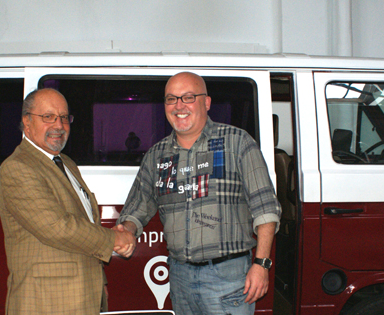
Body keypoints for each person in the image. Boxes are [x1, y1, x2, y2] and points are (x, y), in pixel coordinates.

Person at [117, 72, 281, 315]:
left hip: (229, 277)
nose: (179, 106)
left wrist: (261, 264)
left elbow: (265, 209)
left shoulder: (237, 143)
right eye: (171, 99)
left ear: (206, 102)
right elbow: (138, 206)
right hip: (180, 276)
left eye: (188, 97)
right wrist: (127, 230)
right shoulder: (157, 155)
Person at [0, 88, 135, 315]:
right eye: (48, 117)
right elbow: (56, 227)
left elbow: (85, 223)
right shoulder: (18, 167)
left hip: (80, 295)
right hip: (46, 301)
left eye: (63, 117)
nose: (59, 125)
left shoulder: (66, 163)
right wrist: (114, 239)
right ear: (27, 121)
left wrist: (98, 283)